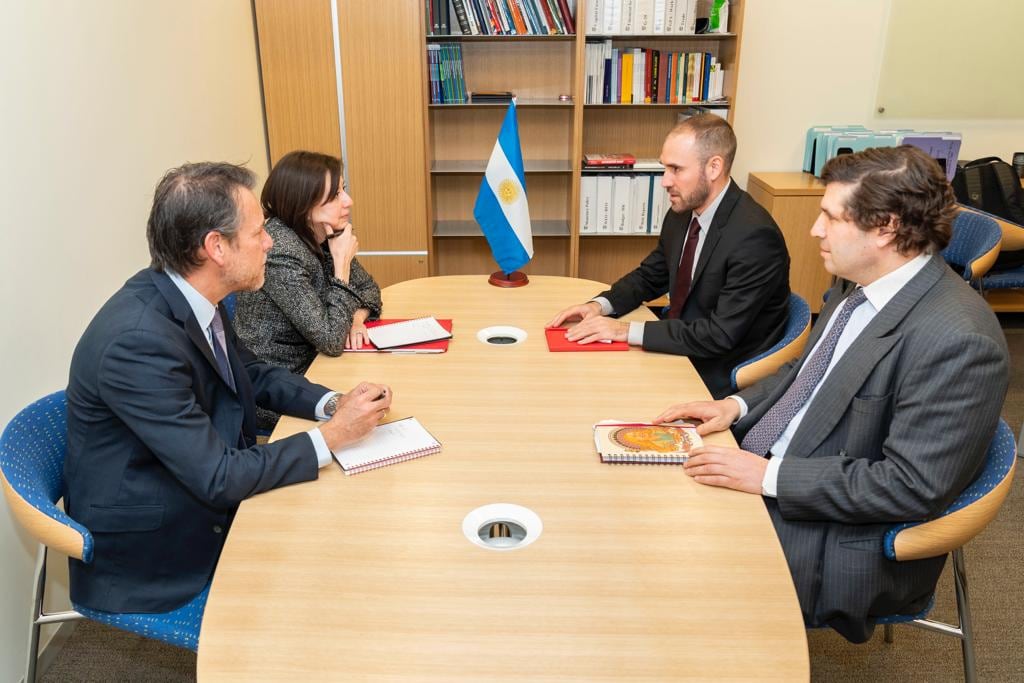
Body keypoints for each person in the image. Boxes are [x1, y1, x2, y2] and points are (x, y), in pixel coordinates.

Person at [655, 145, 1009, 643]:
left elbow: (909, 486)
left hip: (842, 538)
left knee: (660, 559)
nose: (815, 230)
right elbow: (807, 372)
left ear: (885, 227)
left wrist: (768, 475)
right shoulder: (860, 281)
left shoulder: (959, 341)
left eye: (830, 217)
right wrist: (734, 406)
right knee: (643, 498)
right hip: (788, 468)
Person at [64, 162, 393, 614]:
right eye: (259, 233)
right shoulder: (137, 343)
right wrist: (333, 437)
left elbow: (252, 373)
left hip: (198, 487)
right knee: (335, 572)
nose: (271, 242)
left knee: (353, 531)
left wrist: (331, 403)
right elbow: (218, 477)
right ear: (216, 247)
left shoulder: (191, 296)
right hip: (159, 550)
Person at [547, 114, 791, 399]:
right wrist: (601, 306)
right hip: (681, 343)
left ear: (714, 167)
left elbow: (719, 336)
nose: (664, 181)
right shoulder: (684, 212)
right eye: (665, 168)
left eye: (676, 169)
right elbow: (651, 276)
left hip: (716, 371)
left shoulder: (755, 237)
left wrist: (626, 331)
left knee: (602, 392)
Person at [234, 150, 382, 430]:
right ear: (304, 204)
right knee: (376, 406)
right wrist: (341, 265)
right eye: (336, 196)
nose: (348, 202)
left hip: (317, 365)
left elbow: (370, 290)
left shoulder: (321, 231)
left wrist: (356, 318)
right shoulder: (280, 251)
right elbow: (330, 340)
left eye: (343, 191)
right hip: (278, 390)